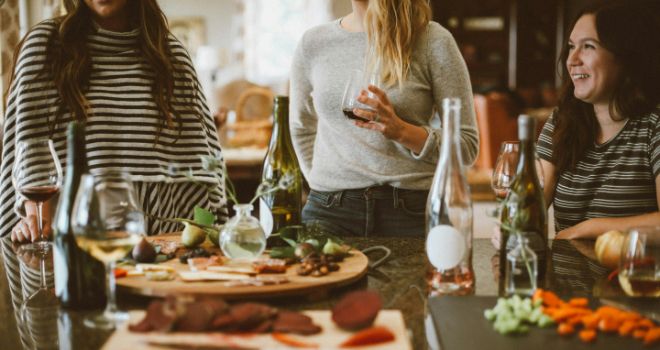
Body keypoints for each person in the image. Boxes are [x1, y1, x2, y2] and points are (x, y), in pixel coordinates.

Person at [1, 0, 228, 242]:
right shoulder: (46, 45)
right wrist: (37, 225)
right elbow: (32, 149)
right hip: (73, 236)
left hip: (160, 237)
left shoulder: (171, 54)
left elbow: (199, 166)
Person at [290, 0, 478, 236]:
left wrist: (402, 131)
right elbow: (301, 128)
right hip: (329, 212)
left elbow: (467, 146)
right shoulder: (313, 43)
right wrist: (323, 182)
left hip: (410, 211)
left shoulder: (433, 39)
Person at [537, 0, 660, 239]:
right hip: (568, 277)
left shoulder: (654, 125)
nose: (572, 60)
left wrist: (587, 229)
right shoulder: (562, 120)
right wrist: (512, 222)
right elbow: (530, 203)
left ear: (625, 56)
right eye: (571, 46)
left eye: (588, 47)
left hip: (632, 276)